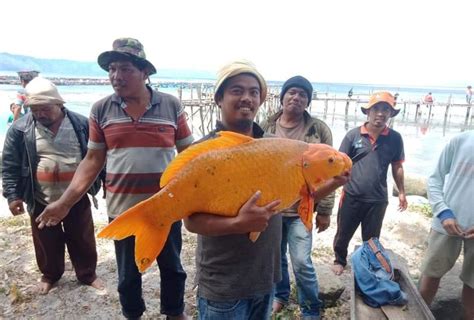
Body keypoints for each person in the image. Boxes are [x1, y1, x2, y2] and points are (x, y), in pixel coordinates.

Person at [34, 38, 194, 319]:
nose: (116, 76)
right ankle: (132, 314)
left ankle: (174, 312)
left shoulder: (171, 105)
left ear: (145, 72)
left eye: (125, 69)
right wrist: (65, 203)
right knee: (128, 274)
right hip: (123, 210)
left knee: (173, 267)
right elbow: (93, 160)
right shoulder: (101, 109)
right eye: (111, 69)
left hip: (165, 209)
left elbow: (190, 155)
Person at [184, 62, 349, 320]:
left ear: (261, 99)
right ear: (218, 98)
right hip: (224, 285)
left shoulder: (275, 147)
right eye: (237, 90)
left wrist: (335, 182)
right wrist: (239, 223)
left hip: (265, 277)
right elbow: (191, 221)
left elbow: (298, 196)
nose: (246, 98)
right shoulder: (203, 152)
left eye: (253, 92)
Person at [2, 77, 104, 294]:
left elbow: (98, 158)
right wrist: (12, 195)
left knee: (82, 237)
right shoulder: (20, 129)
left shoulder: (82, 124)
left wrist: (104, 185)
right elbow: (9, 165)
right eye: (35, 109)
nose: (40, 114)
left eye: (45, 108)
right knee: (46, 241)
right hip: (40, 197)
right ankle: (50, 275)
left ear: (59, 104)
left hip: (76, 195)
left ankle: (87, 274)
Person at [260, 75, 334, 319]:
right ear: (282, 97)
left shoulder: (318, 129)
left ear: (307, 101)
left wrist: (324, 211)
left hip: (303, 207)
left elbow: (329, 173)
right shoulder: (265, 127)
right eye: (291, 92)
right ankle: (280, 295)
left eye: (303, 94)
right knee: (276, 258)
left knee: (302, 261)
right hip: (272, 207)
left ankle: (310, 307)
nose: (296, 97)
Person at [331, 91, 408, 276]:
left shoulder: (395, 138)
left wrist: (402, 192)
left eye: (386, 109)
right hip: (352, 195)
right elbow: (339, 163)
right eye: (376, 109)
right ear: (368, 112)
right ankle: (339, 260)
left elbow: (397, 166)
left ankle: (367, 264)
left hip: (378, 198)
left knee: (372, 238)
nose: (380, 113)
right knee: (343, 232)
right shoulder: (353, 135)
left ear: (390, 114)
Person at [418, 131, 474, 320]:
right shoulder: (461, 140)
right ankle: (418, 315)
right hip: (447, 222)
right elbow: (435, 178)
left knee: (472, 285)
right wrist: (443, 212)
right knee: (430, 275)